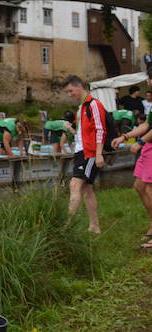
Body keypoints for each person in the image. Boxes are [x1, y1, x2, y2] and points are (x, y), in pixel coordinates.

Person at [110, 70, 152, 249]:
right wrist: (125, 137)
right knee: (139, 186)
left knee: (149, 188)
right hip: (149, 148)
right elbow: (146, 125)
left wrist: (141, 141)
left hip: (149, 146)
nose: (149, 82)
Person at [63, 74, 106, 234]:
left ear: (79, 86)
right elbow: (82, 133)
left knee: (74, 185)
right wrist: (72, 130)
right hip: (81, 150)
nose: (69, 94)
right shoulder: (81, 107)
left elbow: (100, 129)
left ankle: (66, 227)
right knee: (87, 189)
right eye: (67, 92)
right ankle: (94, 226)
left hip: (90, 152)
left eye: (70, 91)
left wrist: (99, 154)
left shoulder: (94, 104)